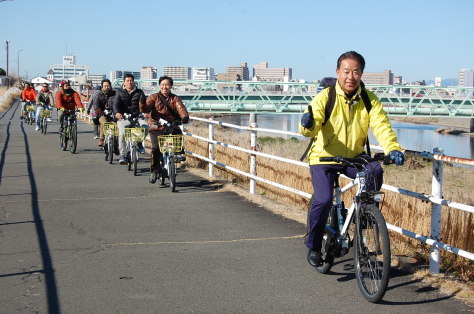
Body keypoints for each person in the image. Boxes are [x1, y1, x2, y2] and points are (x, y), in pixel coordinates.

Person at [299, 51, 405, 267]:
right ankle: (313, 246)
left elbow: (382, 126)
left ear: (361, 74)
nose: (350, 76)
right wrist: (308, 124)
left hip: (353, 157)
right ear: (338, 72)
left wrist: (393, 148)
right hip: (324, 157)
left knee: (374, 170)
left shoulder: (368, 99)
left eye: (355, 72)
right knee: (324, 200)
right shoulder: (325, 97)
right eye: (346, 71)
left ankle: (364, 215)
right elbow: (310, 128)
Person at [141, 75, 189, 184]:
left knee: (177, 132)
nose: (164, 87)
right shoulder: (153, 97)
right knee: (156, 148)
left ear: (171, 86)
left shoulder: (175, 98)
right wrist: (142, 104)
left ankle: (179, 153)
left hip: (170, 125)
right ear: (159, 86)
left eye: (167, 84)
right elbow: (146, 108)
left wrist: (184, 117)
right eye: (162, 84)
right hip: (156, 127)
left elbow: (181, 108)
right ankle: (154, 171)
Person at [113, 73, 148, 164]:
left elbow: (144, 104)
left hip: (137, 116)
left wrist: (146, 112)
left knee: (145, 127)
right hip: (124, 117)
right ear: (124, 82)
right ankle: (123, 155)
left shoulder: (139, 92)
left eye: (131, 80)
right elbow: (115, 104)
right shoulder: (119, 92)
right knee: (122, 134)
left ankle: (139, 142)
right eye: (127, 81)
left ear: (134, 82)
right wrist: (117, 113)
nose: (129, 82)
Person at [92, 79, 116, 146]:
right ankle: (102, 139)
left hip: (113, 113)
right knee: (104, 123)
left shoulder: (115, 94)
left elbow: (118, 103)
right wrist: (101, 113)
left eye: (108, 86)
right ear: (102, 87)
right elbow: (96, 106)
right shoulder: (98, 95)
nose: (107, 87)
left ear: (110, 86)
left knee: (116, 125)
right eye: (105, 86)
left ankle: (116, 144)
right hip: (102, 114)